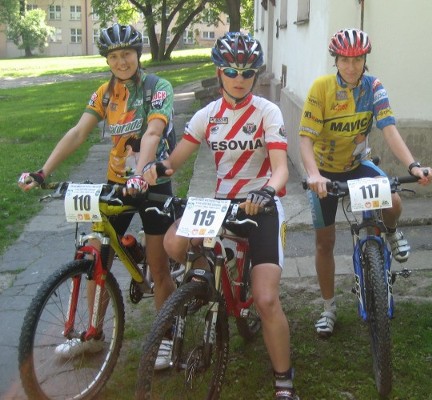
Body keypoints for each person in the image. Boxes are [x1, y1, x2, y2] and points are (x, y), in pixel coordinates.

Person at [142, 32, 299, 400]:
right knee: (173, 240)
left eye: (248, 71)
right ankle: (216, 274)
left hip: (260, 205)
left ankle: (284, 382)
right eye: (231, 70)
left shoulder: (267, 111)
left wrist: (266, 190)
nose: (239, 78)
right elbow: (174, 161)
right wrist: (155, 170)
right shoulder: (207, 115)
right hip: (221, 203)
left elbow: (280, 170)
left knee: (265, 299)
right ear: (219, 72)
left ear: (256, 75)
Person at [18, 23, 177, 370]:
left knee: (159, 266)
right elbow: (78, 132)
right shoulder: (105, 93)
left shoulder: (158, 87)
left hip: (151, 184)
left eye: (127, 54)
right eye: (114, 56)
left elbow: (152, 131)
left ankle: (166, 334)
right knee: (97, 259)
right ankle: (93, 334)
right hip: (117, 183)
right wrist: (44, 171)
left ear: (139, 55)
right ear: (107, 59)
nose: (121, 62)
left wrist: (141, 172)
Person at [299, 28, 432, 338]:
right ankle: (328, 308)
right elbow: (305, 138)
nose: (351, 66)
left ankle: (392, 232)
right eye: (345, 60)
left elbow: (388, 129)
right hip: (325, 171)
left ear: (365, 60)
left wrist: (412, 165)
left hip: (358, 165)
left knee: (394, 200)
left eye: (357, 59)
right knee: (325, 242)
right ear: (336, 60)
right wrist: (314, 174)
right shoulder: (321, 88)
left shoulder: (373, 87)